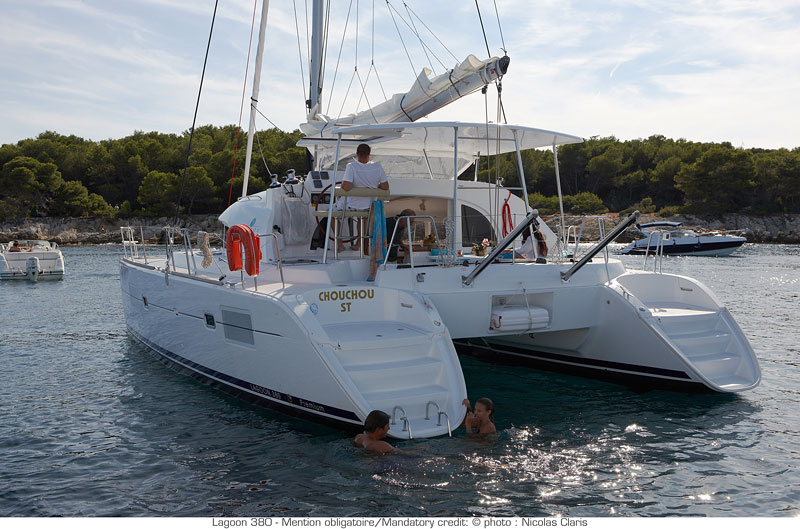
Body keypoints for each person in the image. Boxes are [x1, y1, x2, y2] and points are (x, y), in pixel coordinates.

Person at [334, 143, 389, 252]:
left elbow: (346, 187)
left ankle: (339, 244)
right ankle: (359, 243)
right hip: (368, 206)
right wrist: (373, 187)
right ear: (369, 154)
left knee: (331, 213)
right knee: (362, 218)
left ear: (357, 154)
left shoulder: (352, 166)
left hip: (351, 205)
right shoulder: (377, 167)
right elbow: (385, 187)